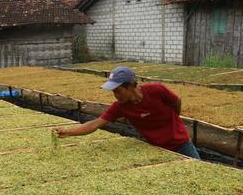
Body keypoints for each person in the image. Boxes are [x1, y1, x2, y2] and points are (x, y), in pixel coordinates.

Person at [54, 66, 201, 159]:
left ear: (131, 86)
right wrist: (68, 132)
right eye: (113, 92)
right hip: (154, 146)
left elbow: (176, 102)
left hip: (180, 142)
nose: (116, 95)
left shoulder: (157, 90)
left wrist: (174, 120)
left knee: (199, 169)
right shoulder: (120, 107)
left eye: (118, 91)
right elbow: (96, 123)